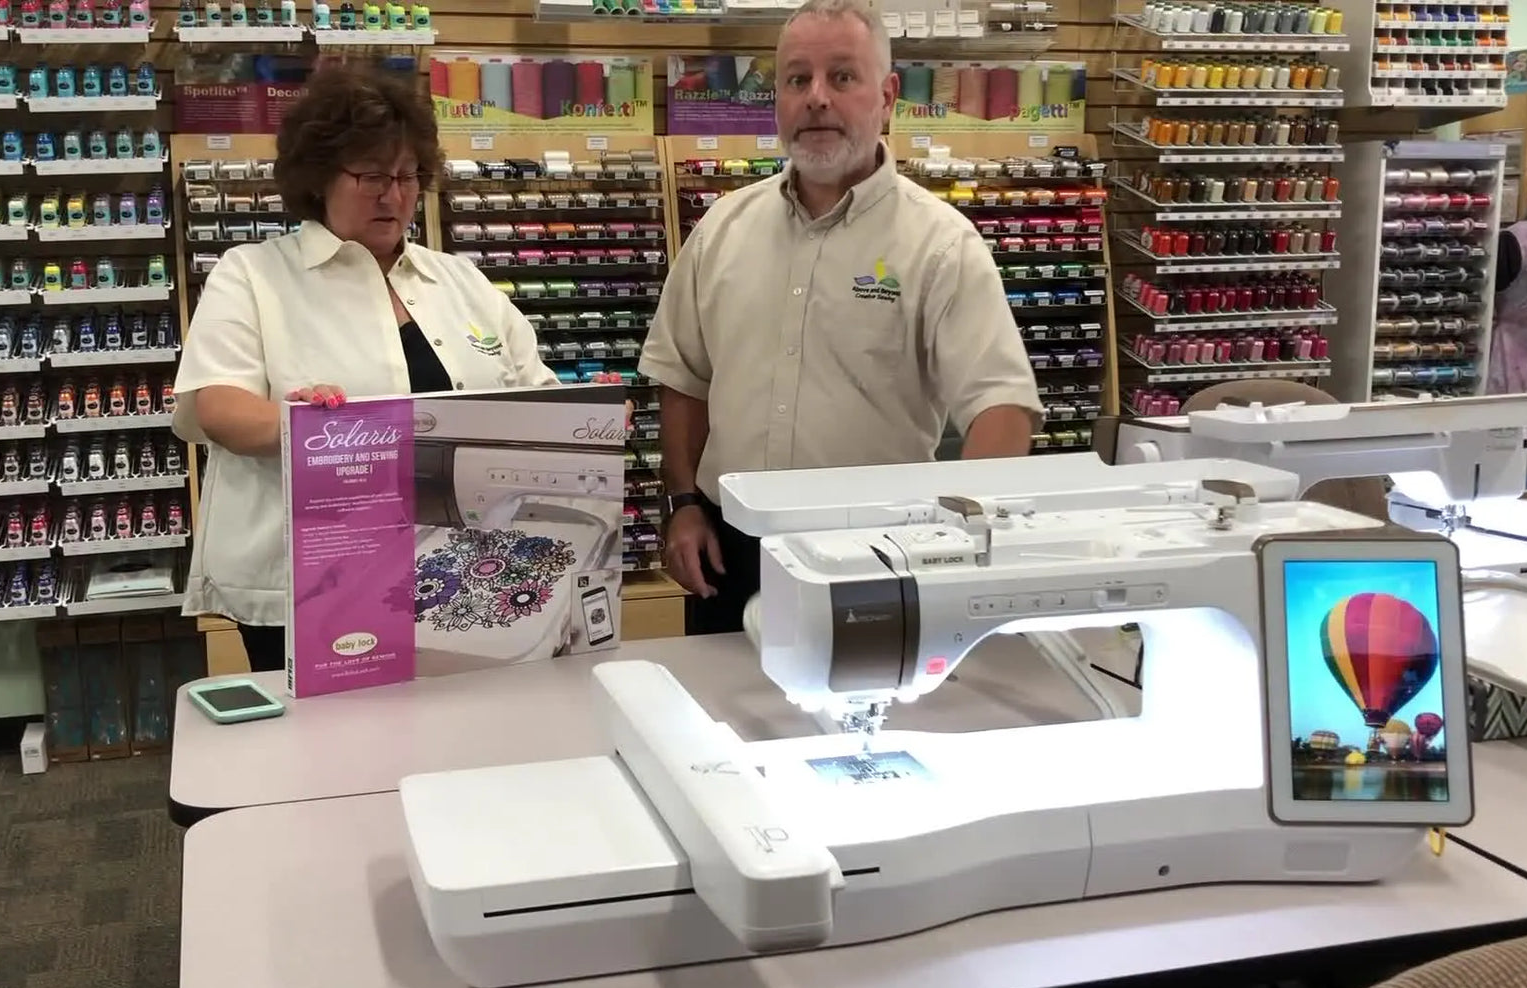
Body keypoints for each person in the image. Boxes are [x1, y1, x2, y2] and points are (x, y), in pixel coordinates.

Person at [637, 0, 1044, 635]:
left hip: (878, 550)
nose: (817, 98)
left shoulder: (940, 244)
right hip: (729, 549)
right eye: (797, 79)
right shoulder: (722, 229)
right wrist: (683, 502)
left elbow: (1002, 407)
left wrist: (958, 541)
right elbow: (684, 378)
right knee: (718, 697)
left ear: (887, 97)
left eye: (843, 76)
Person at [172, 61, 564, 672]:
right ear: (319, 177)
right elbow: (219, 409)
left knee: (457, 718)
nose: (394, 195)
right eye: (372, 175)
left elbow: (537, 393)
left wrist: (585, 421)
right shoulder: (252, 274)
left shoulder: (459, 280)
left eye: (407, 176)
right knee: (329, 730)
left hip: (457, 566)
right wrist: (309, 426)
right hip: (311, 579)